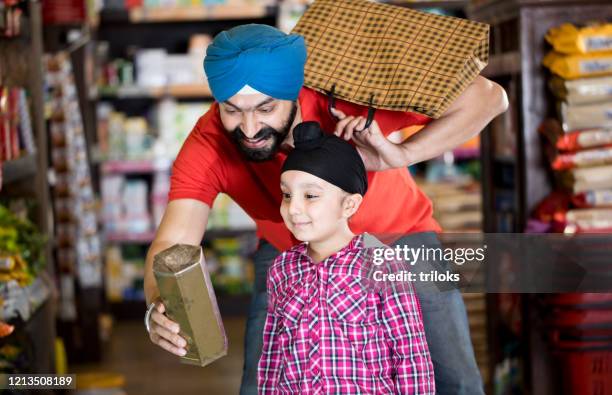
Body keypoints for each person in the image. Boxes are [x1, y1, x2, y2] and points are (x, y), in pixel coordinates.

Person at [143, 24, 508, 395]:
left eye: (266, 108)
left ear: (294, 94)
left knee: (454, 379)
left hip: (398, 239)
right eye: (232, 110)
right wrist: (159, 303)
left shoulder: (349, 99)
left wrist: (402, 155)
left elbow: (490, 96)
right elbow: (174, 242)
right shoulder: (210, 143)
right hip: (292, 252)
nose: (250, 128)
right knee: (260, 382)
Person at [258, 120, 435, 394]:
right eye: (287, 195)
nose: (293, 209)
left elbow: (411, 356)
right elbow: (272, 354)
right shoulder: (282, 269)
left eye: (310, 196)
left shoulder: (381, 264)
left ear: (349, 204)